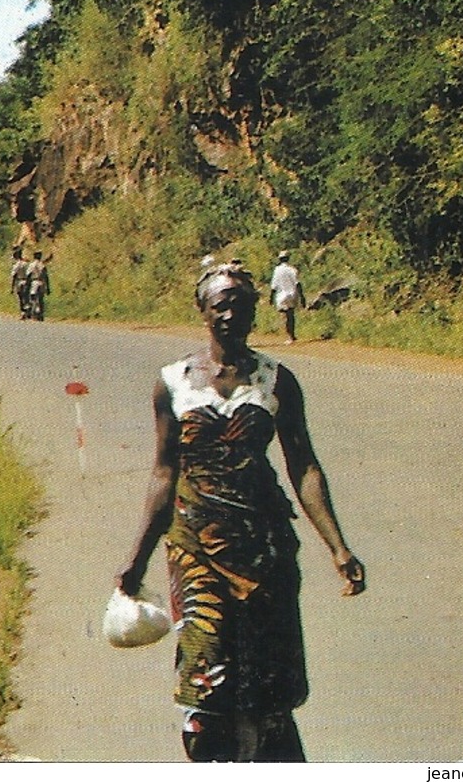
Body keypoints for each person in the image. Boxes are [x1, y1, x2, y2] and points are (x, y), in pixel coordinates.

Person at [115, 261, 366, 762]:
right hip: (195, 549)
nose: (231, 314)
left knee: (267, 679)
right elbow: (164, 473)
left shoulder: (276, 380)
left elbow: (304, 467)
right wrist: (136, 559)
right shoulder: (173, 383)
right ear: (202, 312)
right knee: (207, 675)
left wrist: (338, 546)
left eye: (241, 305)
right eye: (220, 305)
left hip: (264, 547)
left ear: (256, 312)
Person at [269, 251, 304, 344]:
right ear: (288, 259)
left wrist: (271, 297)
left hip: (281, 296)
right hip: (292, 294)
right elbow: (298, 283)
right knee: (291, 315)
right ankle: (292, 335)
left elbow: (274, 286)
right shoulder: (292, 269)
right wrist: (302, 297)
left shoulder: (277, 270)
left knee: (285, 316)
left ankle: (289, 336)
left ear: (279, 259)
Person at [24, 251, 50, 321]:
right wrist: (48, 286)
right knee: (41, 299)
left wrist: (27, 283)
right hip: (41, 282)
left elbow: (28, 275)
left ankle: (35, 313)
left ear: (34, 256)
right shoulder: (42, 265)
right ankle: (41, 314)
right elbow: (46, 276)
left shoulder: (32, 265)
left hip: (34, 282)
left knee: (33, 299)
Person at [10, 249, 30, 318]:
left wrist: (12, 287)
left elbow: (14, 276)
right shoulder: (26, 264)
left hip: (19, 282)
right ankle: (29, 312)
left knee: (21, 298)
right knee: (27, 297)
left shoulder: (16, 265)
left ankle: (23, 312)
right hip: (27, 281)